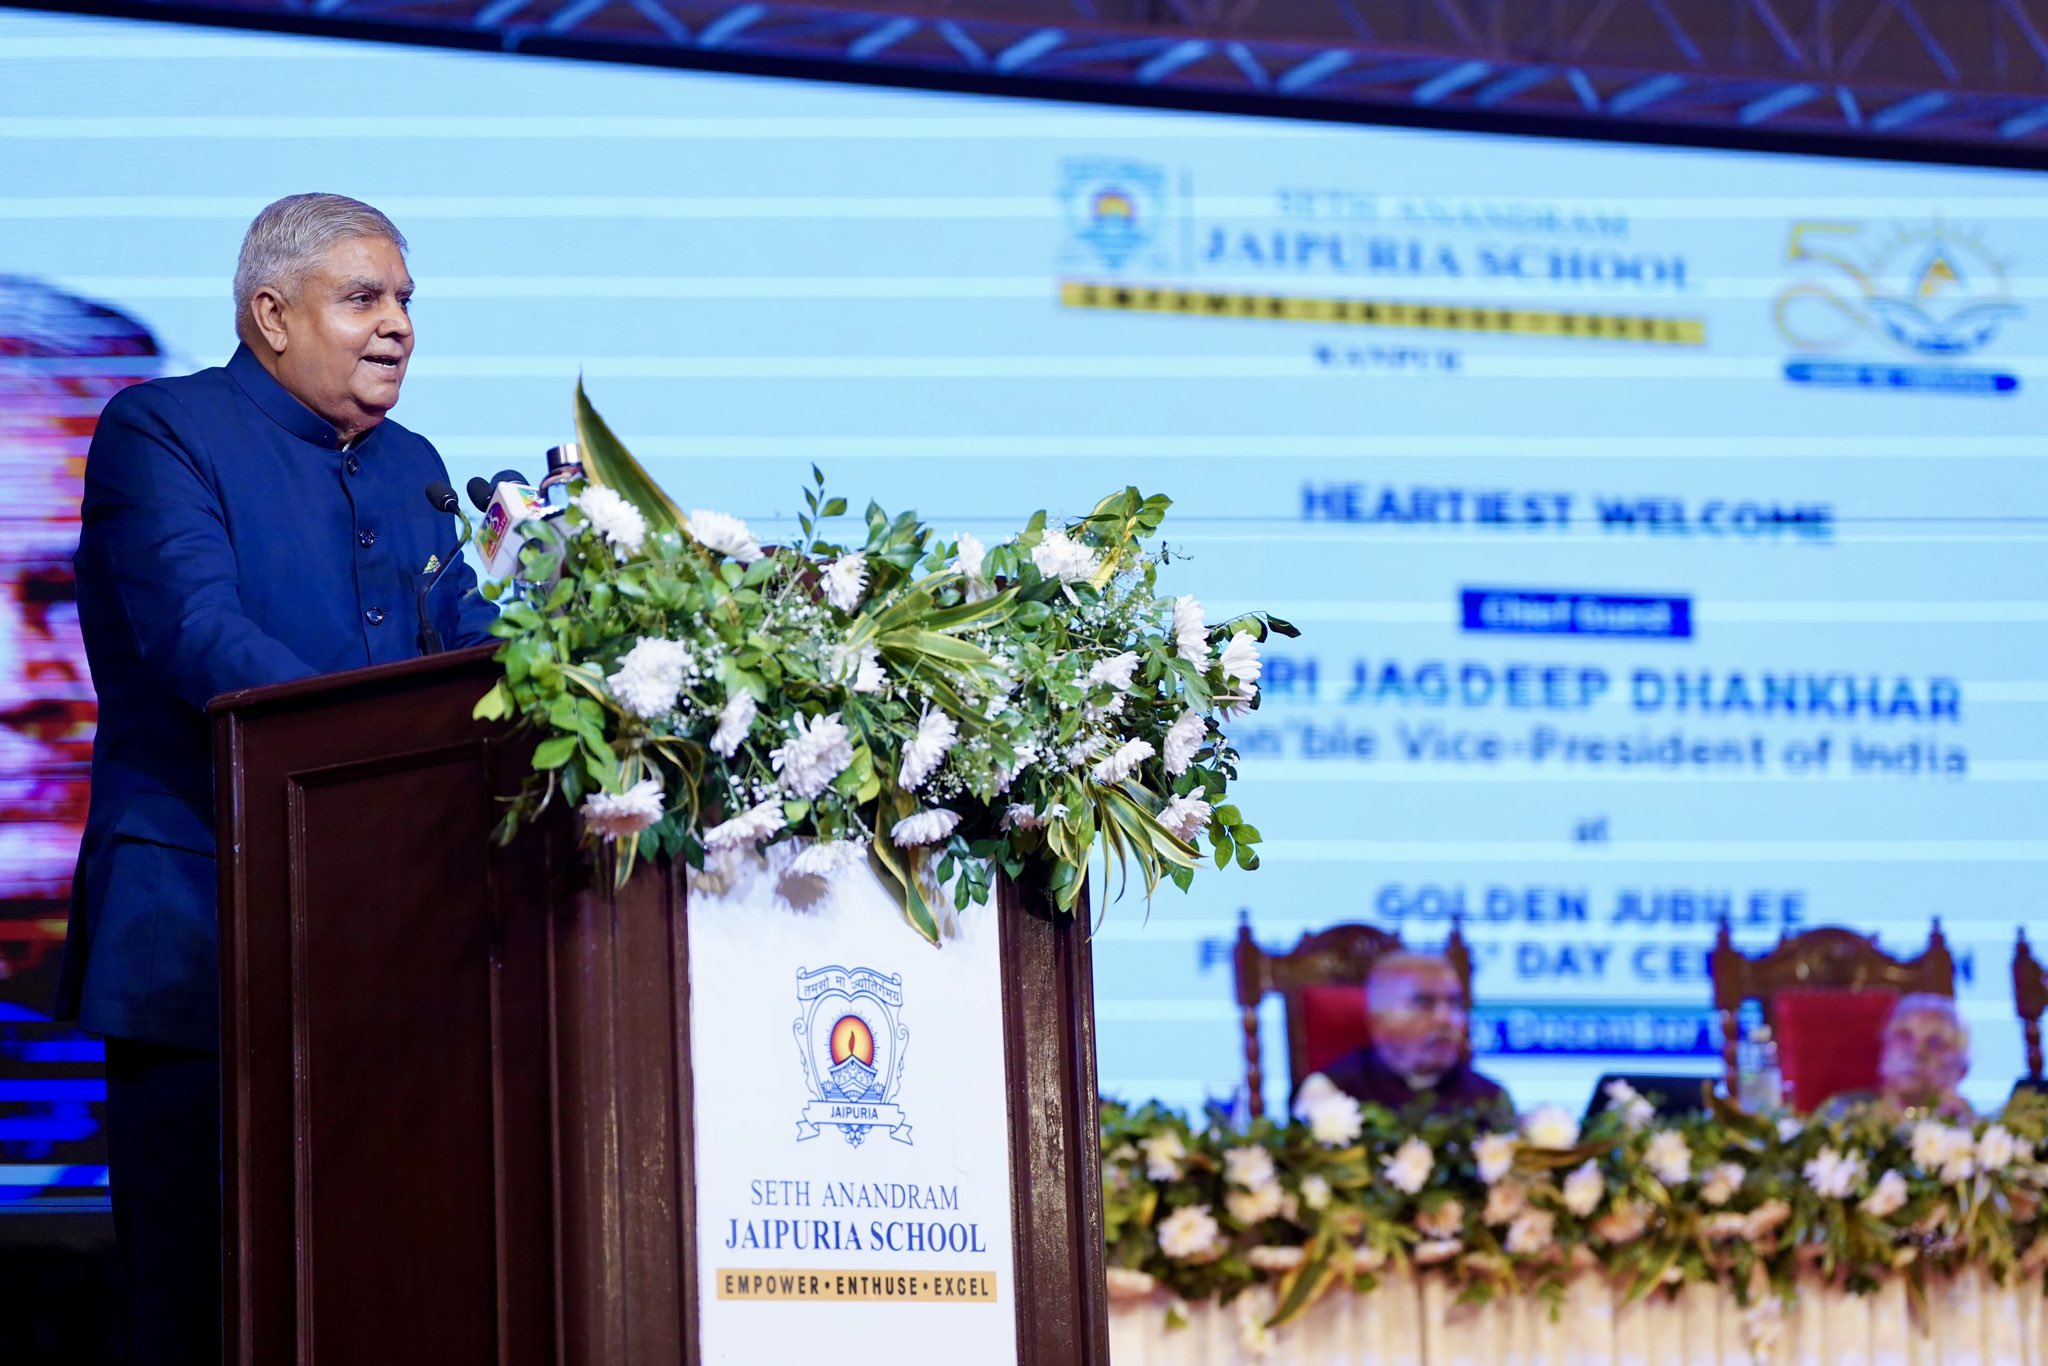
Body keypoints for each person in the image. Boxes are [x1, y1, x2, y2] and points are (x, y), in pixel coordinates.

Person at [55, 193, 497, 1365]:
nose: (398, 323)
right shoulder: (162, 429)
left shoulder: (413, 468)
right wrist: (360, 758)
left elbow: (466, 651)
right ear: (269, 313)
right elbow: (198, 633)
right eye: (364, 298)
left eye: (406, 300)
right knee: (200, 1304)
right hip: (207, 936)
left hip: (391, 952)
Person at [1298, 951, 1512, 1120]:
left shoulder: (1490, 1097)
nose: (1447, 1019)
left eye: (1455, 1003)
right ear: (1379, 1021)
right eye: (1424, 1003)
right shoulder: (1329, 1093)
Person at [1825, 993, 1974, 1121]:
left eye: (1934, 1043)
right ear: (1885, 1050)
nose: (1916, 1051)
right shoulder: (1845, 1114)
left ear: (1960, 1069)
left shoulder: (1974, 1134)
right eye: (1904, 1037)